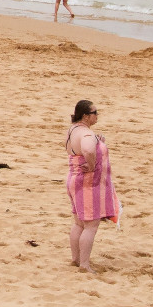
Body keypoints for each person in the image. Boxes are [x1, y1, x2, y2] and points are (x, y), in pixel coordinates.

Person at [66, 99, 118, 273]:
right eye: (95, 113)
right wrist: (92, 163)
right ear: (86, 116)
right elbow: (88, 150)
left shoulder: (74, 130)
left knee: (79, 223)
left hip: (74, 179)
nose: (97, 116)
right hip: (87, 183)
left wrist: (98, 141)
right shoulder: (87, 134)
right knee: (90, 225)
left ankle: (76, 259)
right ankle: (84, 265)